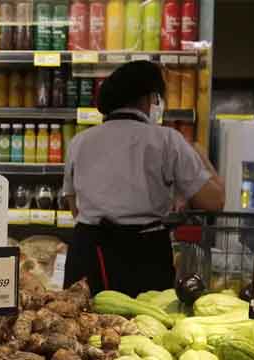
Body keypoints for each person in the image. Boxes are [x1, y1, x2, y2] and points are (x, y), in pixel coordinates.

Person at [62, 60, 224, 297]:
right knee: (146, 317)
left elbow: (73, 205)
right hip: (144, 254)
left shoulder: (79, 141)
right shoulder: (167, 140)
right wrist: (199, 153)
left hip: (88, 253)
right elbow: (214, 201)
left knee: (81, 317)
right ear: (149, 98)